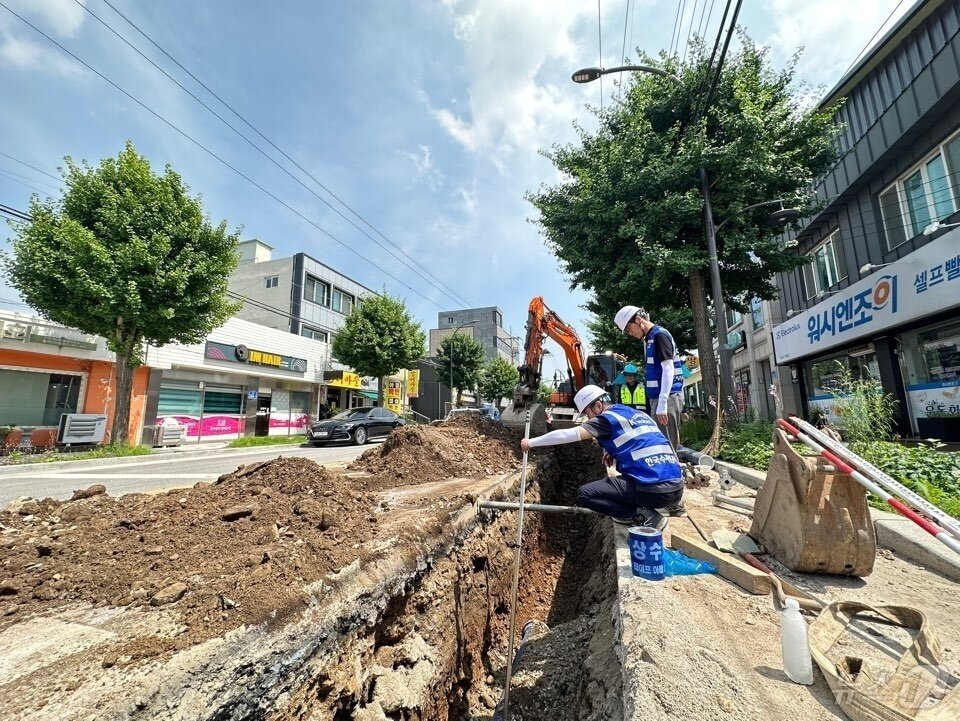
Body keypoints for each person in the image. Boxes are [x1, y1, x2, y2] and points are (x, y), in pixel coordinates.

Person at [519, 384, 683, 529]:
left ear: (598, 405)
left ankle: (643, 515)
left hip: (655, 491)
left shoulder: (605, 420)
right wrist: (613, 451)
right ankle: (668, 506)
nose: (589, 419)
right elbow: (642, 441)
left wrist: (531, 442)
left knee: (586, 494)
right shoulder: (637, 414)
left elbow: (567, 435)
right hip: (677, 488)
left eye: (587, 414)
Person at [614, 306, 683, 449]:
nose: (629, 333)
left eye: (628, 328)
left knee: (666, 447)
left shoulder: (659, 336)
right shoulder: (650, 338)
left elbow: (668, 369)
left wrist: (663, 402)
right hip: (658, 399)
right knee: (660, 445)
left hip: (666, 398)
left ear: (638, 320)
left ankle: (672, 472)